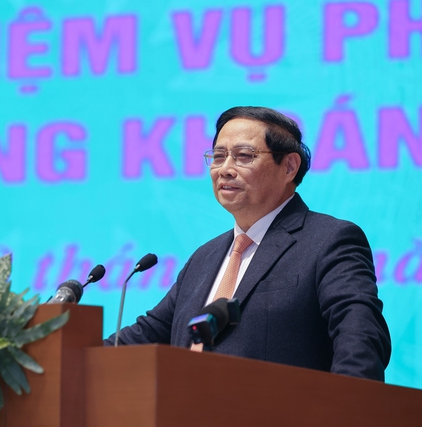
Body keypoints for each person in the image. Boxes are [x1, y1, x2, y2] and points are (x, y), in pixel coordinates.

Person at [105, 106, 391, 381]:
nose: (225, 169)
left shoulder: (328, 240)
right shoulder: (203, 258)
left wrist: (348, 406)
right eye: (218, 157)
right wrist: (78, 350)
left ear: (289, 166)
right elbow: (143, 338)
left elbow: (360, 337)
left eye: (243, 156)